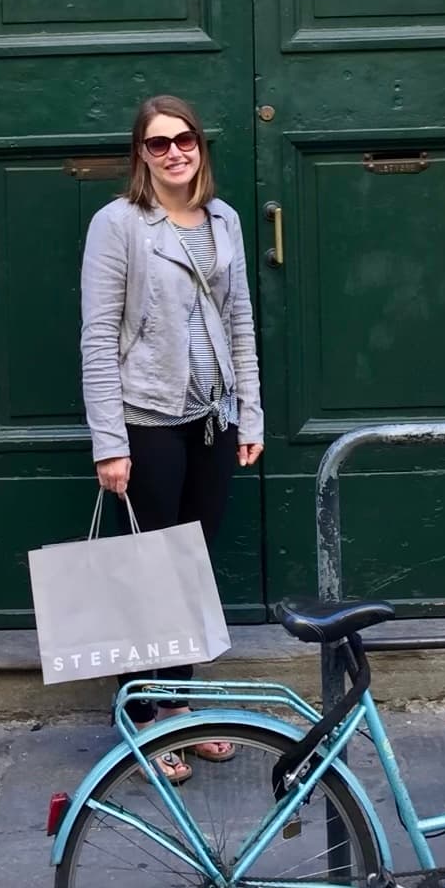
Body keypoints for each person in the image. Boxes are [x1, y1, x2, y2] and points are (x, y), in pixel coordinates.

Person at [80, 94, 264, 783]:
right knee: (150, 571)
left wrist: (252, 413)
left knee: (190, 566)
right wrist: (108, 440)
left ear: (199, 146)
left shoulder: (224, 220)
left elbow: (241, 316)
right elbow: (98, 335)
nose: (175, 153)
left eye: (184, 140)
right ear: (141, 155)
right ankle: (145, 717)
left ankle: (180, 711)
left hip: (213, 417)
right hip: (145, 417)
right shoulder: (119, 225)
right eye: (158, 144)